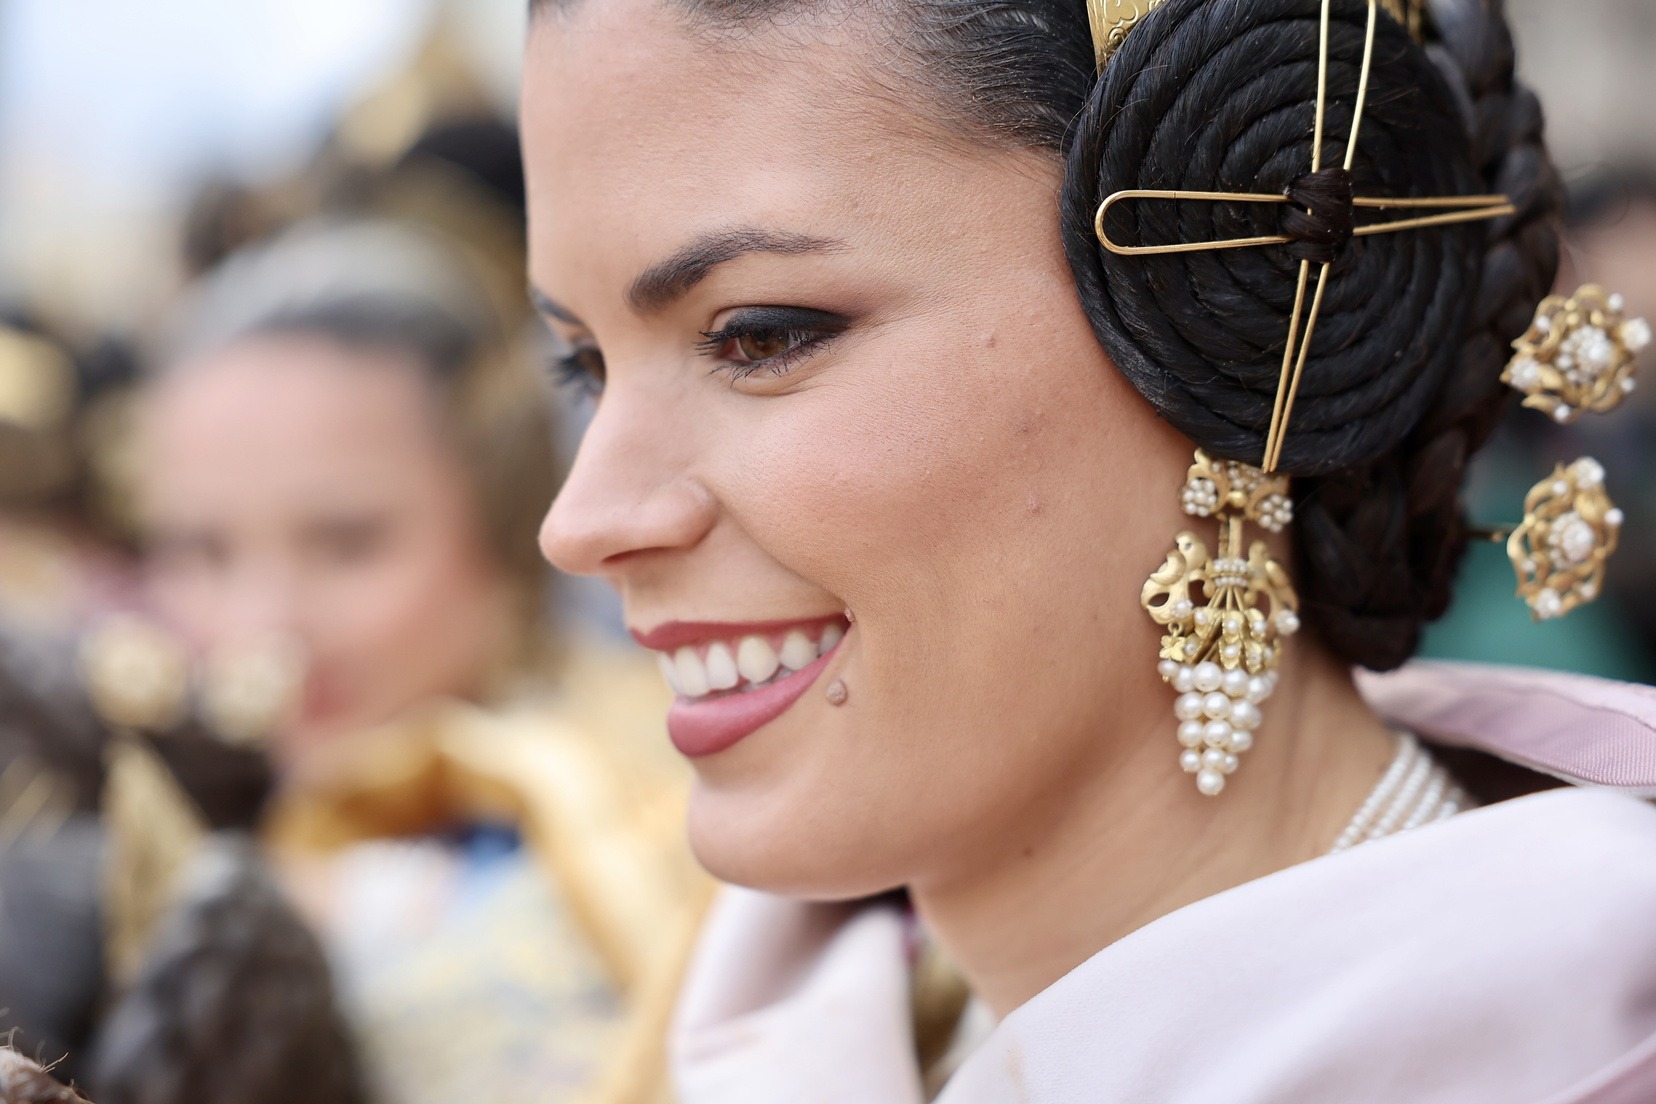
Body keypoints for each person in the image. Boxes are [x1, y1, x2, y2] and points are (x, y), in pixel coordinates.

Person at [518, 0, 1656, 1099]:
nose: (583, 522)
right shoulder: (714, 1027)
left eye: (759, 337)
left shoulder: (1579, 1029)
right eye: (584, 363)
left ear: (1257, 300)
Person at [132, 214, 705, 1104]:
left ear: (508, 522)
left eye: (347, 543)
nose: (262, 625)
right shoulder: (156, 817)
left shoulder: (658, 813)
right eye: (201, 552)